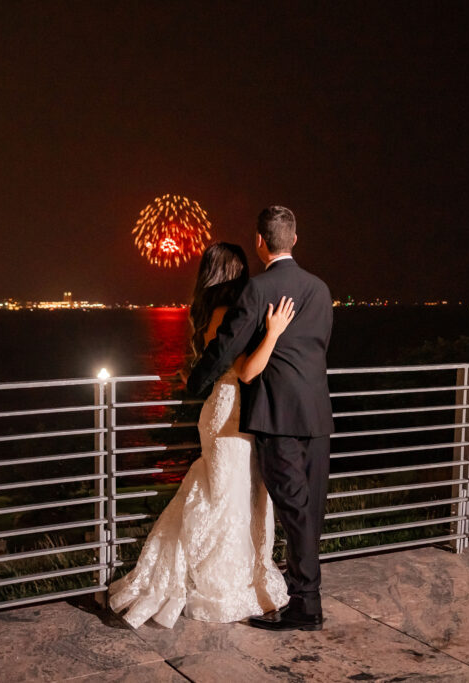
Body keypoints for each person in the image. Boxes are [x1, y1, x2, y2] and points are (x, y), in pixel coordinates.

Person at [108, 242, 296, 628]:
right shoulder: (228, 314)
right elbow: (245, 368)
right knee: (228, 499)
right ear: (234, 275)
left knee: (236, 496)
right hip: (229, 417)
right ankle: (221, 584)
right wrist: (274, 334)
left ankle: (239, 575)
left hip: (229, 413)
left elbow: (212, 366)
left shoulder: (218, 311)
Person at [187, 206, 333, 632]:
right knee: (311, 510)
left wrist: (197, 382)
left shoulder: (257, 289)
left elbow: (226, 346)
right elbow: (316, 348)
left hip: (277, 417)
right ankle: (302, 588)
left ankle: (307, 604)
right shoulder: (320, 289)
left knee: (294, 511)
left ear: (259, 241)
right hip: (318, 416)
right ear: (295, 238)